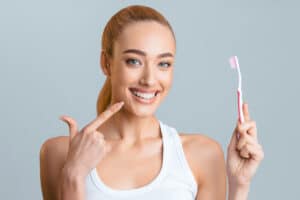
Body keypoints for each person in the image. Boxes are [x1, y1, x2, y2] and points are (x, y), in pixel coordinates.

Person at [39, 5, 264, 200]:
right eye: (134, 61)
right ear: (106, 63)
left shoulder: (202, 155)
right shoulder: (60, 153)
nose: (149, 80)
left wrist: (239, 186)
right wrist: (73, 176)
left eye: (163, 64)